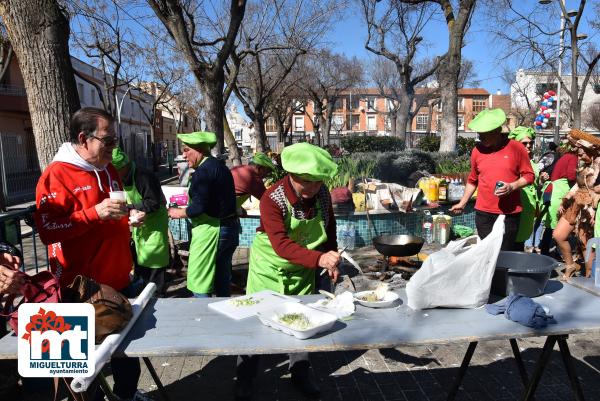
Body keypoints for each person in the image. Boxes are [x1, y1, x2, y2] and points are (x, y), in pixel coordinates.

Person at [34, 107, 144, 401]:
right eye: (108, 141)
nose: (114, 147)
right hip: (81, 292)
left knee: (127, 358)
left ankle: (126, 396)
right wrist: (92, 214)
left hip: (119, 281)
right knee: (84, 374)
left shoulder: (107, 168)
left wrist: (129, 217)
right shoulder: (56, 175)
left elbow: (111, 213)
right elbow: (48, 230)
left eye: (115, 140)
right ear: (84, 139)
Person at [235, 142, 340, 401]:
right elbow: (281, 245)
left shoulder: (322, 194)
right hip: (269, 267)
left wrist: (332, 257)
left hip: (304, 266)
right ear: (291, 175)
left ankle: (301, 373)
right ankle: (244, 378)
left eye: (318, 181)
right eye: (308, 181)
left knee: (301, 318)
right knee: (256, 323)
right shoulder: (272, 199)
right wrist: (320, 259)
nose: (314, 188)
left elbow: (329, 229)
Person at [450, 109, 535, 250]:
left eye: (484, 133)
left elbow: (529, 176)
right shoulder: (477, 150)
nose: (480, 136)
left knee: (505, 253)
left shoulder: (516, 148)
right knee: (487, 253)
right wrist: (462, 203)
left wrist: (512, 186)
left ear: (496, 131)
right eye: (479, 133)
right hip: (483, 213)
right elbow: (472, 180)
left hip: (509, 213)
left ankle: (501, 273)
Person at [168, 131, 238, 297]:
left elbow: (198, 207)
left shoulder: (203, 172)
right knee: (222, 280)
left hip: (212, 232)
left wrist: (177, 212)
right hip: (230, 230)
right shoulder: (220, 167)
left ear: (198, 149)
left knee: (199, 282)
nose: (184, 155)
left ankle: (202, 317)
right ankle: (223, 317)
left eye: (186, 150)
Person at [112, 147, 170, 295]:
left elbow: (153, 203)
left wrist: (130, 207)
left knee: (155, 259)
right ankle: (144, 289)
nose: (115, 175)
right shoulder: (124, 177)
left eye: (116, 171)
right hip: (141, 224)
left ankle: (158, 293)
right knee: (142, 258)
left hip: (155, 222)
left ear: (124, 167)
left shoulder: (143, 176)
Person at [553, 129, 600, 279]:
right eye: (578, 152)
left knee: (586, 246)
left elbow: (595, 188)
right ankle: (570, 264)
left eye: (581, 153)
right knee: (558, 235)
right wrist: (566, 198)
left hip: (590, 208)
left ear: (589, 150)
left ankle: (589, 278)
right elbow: (578, 185)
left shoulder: (599, 163)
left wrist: (595, 201)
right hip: (576, 204)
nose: (578, 156)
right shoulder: (583, 164)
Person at [539, 142, 578, 255]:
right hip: (560, 192)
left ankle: (546, 253)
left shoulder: (565, 157)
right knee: (556, 226)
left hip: (553, 191)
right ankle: (551, 253)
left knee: (550, 225)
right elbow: (571, 175)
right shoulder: (572, 157)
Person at [508, 126, 540, 251]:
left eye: (530, 143)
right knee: (513, 240)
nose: (528, 146)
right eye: (524, 143)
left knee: (521, 239)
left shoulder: (531, 161)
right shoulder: (511, 160)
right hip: (516, 206)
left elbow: (533, 183)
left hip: (529, 207)